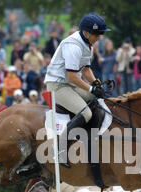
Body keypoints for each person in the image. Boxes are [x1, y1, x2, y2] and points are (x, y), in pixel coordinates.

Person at [44, 12, 110, 168]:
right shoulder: (73, 46)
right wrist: (91, 88)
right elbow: (72, 76)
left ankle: (90, 140)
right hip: (57, 85)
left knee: (97, 100)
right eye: (97, 34)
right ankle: (59, 149)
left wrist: (96, 83)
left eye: (101, 33)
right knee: (86, 113)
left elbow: (86, 70)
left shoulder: (87, 44)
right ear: (86, 33)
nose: (100, 37)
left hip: (70, 83)